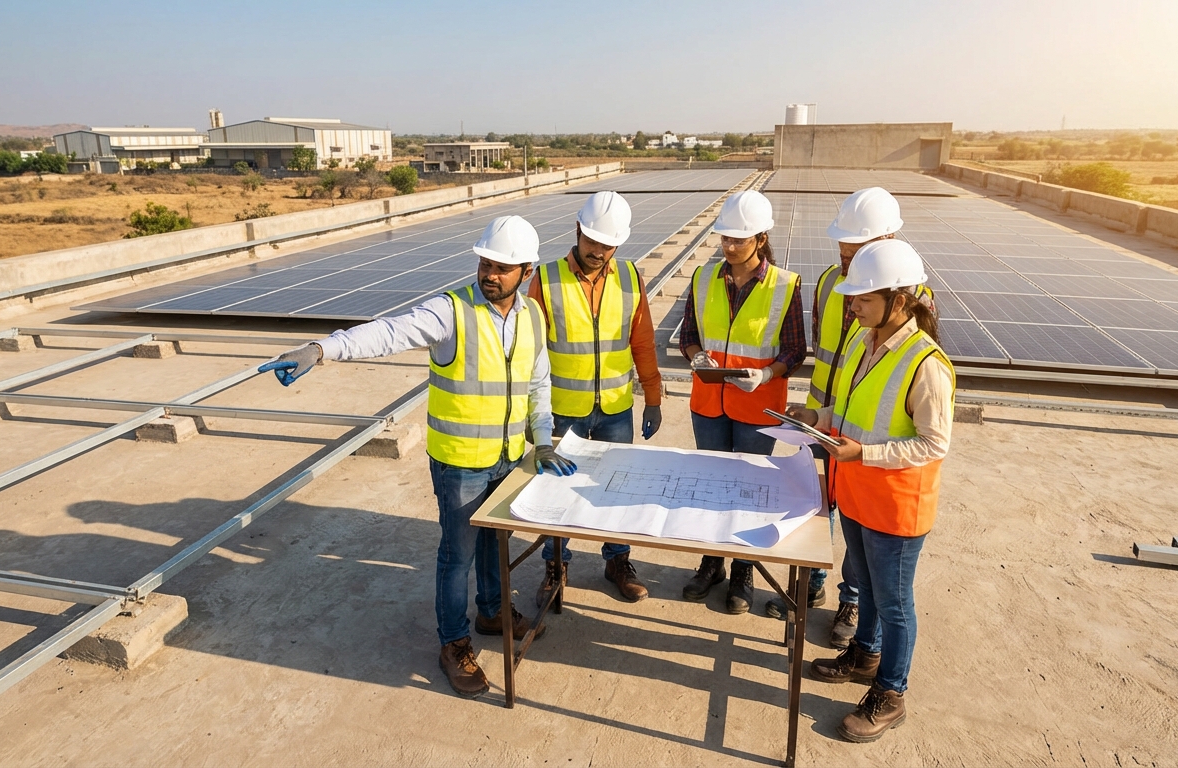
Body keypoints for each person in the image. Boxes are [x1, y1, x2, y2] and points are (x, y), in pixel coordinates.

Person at [258, 215, 579, 700]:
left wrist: (544, 440)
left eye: (502, 267)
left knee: (498, 545)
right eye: (485, 262)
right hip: (459, 464)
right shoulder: (452, 312)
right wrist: (322, 349)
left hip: (508, 457)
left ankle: (493, 610)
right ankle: (453, 644)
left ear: (527, 272)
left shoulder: (532, 317)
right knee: (458, 556)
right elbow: (388, 332)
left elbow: (538, 384)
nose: (490, 273)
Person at [800, 239, 955, 743]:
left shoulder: (926, 363)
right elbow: (850, 414)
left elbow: (933, 444)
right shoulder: (860, 342)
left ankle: (891, 693)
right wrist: (816, 418)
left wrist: (863, 454)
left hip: (896, 507)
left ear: (901, 300)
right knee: (864, 585)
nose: (852, 305)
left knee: (895, 604)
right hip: (859, 495)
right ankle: (865, 654)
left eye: (864, 298)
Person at [768, 187, 932, 649]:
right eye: (842, 252)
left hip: (870, 435)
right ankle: (810, 585)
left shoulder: (913, 297)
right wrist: (818, 413)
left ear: (889, 240)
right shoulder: (827, 283)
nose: (847, 264)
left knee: (863, 525)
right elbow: (827, 352)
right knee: (819, 508)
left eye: (856, 252)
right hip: (826, 419)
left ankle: (853, 600)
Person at [526, 191, 663, 604]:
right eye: (592, 241)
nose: (598, 250)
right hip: (563, 412)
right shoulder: (546, 279)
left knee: (617, 490)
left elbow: (642, 340)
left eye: (607, 244)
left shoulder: (629, 276)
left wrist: (652, 396)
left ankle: (617, 560)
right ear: (578, 230)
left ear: (618, 243)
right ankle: (556, 566)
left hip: (616, 409)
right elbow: (529, 352)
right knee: (555, 496)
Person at [677, 189, 806, 614]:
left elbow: (794, 350)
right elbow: (689, 335)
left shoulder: (785, 285)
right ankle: (711, 561)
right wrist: (696, 356)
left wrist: (768, 374)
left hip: (755, 409)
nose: (728, 247)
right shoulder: (702, 278)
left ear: (761, 239)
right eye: (724, 239)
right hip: (708, 405)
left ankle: (742, 572)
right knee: (713, 488)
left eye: (738, 239)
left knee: (750, 491)